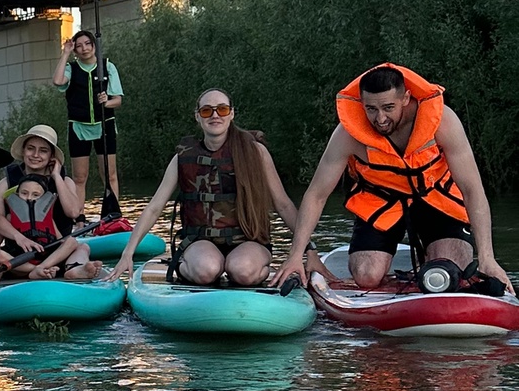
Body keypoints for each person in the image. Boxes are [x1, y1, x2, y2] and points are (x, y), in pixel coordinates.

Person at [271, 63, 511, 293]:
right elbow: (316, 195)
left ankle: (435, 258)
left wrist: (487, 258)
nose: (380, 119)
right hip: (380, 201)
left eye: (388, 107)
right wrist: (295, 255)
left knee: (450, 269)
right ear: (361, 104)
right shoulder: (347, 134)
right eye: (371, 109)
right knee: (366, 276)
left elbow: (472, 190)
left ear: (405, 98)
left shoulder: (442, 121)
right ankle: (391, 263)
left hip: (435, 198)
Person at [111, 89, 299, 287]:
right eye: (207, 111)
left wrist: (308, 249)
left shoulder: (256, 152)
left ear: (232, 114)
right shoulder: (183, 158)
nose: (215, 115)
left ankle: (254, 269)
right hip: (200, 241)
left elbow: (283, 204)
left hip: (248, 240)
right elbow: (155, 207)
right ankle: (185, 265)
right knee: (206, 271)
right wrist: (127, 253)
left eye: (222, 109)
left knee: (243, 271)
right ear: (198, 116)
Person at [54, 29, 123, 210]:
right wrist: (65, 53)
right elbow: (58, 81)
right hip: (78, 127)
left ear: (94, 46)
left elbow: (118, 100)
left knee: (109, 175)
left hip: (104, 125)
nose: (84, 49)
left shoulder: (107, 66)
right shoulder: (71, 68)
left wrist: (106, 102)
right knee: (79, 177)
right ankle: (79, 218)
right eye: (79, 46)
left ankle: (113, 215)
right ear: (75, 51)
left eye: (87, 44)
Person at [0, 173, 93, 278]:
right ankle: (38, 270)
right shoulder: (10, 217)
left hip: (47, 258)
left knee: (72, 242)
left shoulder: (48, 218)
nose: (29, 198)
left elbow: (60, 240)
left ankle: (45, 268)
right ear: (17, 194)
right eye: (24, 193)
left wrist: (67, 245)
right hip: (21, 262)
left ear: (43, 198)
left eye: (35, 195)